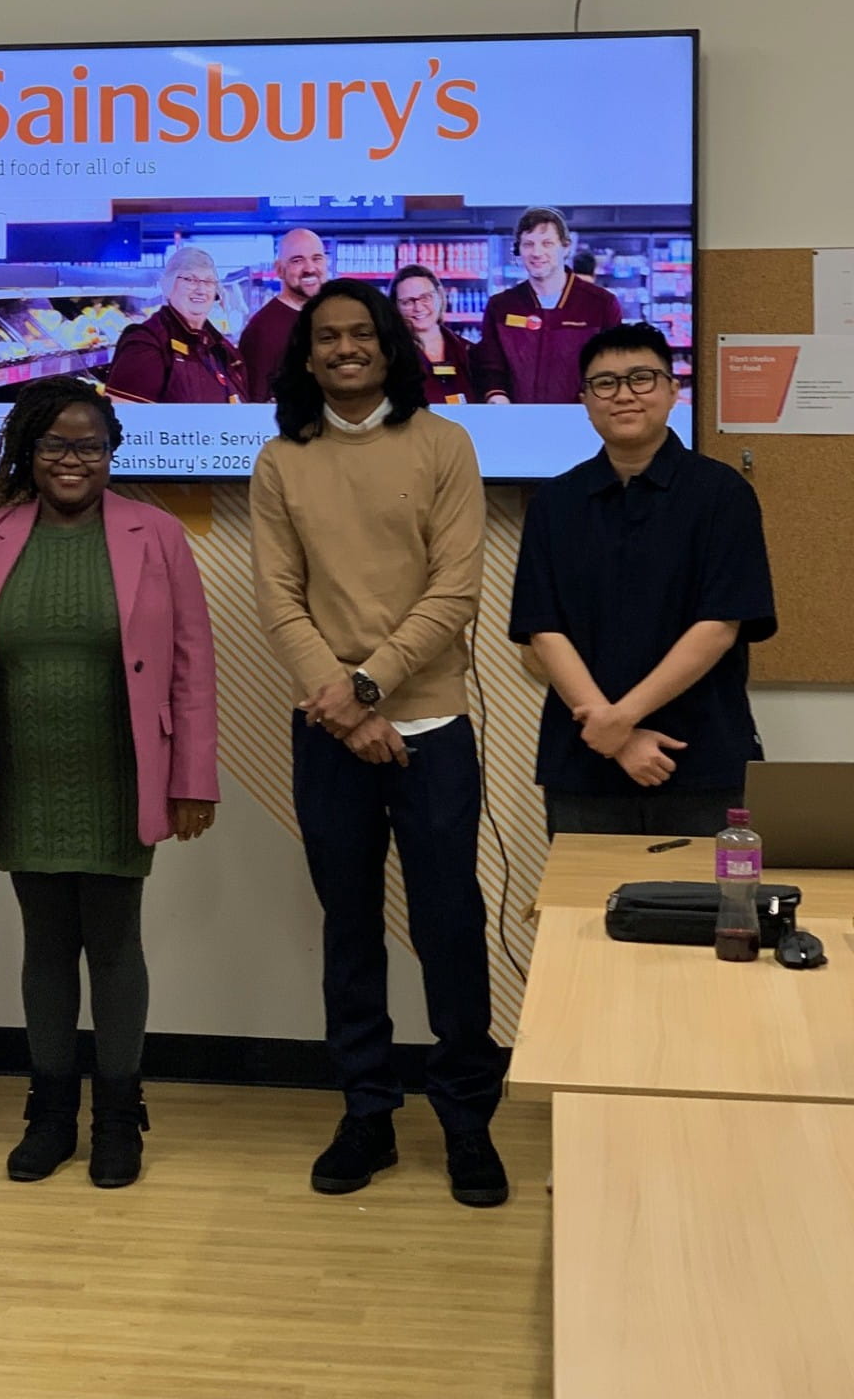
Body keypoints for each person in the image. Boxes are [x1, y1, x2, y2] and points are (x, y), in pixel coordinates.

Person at [249, 282, 507, 1209]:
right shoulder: (281, 459)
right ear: (307, 355)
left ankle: (469, 1121)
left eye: (363, 334)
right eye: (329, 338)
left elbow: (457, 590)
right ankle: (367, 1112)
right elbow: (279, 597)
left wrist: (369, 688)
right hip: (328, 734)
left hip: (431, 726)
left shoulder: (445, 445)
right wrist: (346, 709)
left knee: (451, 928)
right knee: (349, 929)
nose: (347, 349)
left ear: (390, 346)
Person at [0, 377, 219, 1189]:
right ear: (29, 449)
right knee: (45, 946)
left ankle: (119, 1118)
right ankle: (52, 1113)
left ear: (111, 453)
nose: (71, 459)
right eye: (54, 444)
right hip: (24, 770)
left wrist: (193, 777)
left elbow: (193, 667)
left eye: (88, 445)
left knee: (116, 943)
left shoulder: (155, 534)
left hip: (124, 772)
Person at [510, 324, 776, 837]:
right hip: (585, 763)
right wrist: (614, 735)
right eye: (605, 383)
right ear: (584, 401)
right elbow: (543, 630)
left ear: (674, 391)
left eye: (642, 378)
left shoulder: (722, 495)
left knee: (706, 914)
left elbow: (720, 625)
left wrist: (619, 720)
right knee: (584, 914)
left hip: (699, 759)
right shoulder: (554, 503)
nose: (624, 394)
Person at [477, 207, 621, 404]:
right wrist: (496, 395)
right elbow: (490, 366)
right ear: (518, 249)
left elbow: (613, 367)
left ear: (566, 247)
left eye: (547, 243)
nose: (537, 253)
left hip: (583, 424)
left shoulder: (601, 304)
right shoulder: (500, 307)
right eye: (528, 244)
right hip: (515, 424)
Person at [105, 244, 247, 404]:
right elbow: (126, 420)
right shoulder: (145, 344)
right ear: (168, 286)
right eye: (190, 280)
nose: (201, 289)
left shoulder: (220, 348)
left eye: (208, 282)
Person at [239, 228, 329, 400]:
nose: (310, 268)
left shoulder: (334, 316)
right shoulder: (261, 331)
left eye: (317, 258)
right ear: (279, 269)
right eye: (297, 260)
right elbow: (253, 405)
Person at [391, 264, 481, 406]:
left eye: (425, 298)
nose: (418, 308)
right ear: (395, 307)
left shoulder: (470, 352)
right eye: (407, 302)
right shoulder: (388, 356)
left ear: (440, 296)